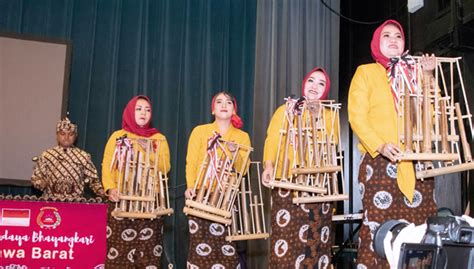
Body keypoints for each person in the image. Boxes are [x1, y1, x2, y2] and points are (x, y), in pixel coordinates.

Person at [348, 19, 437, 268]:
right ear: (377, 42)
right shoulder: (366, 72)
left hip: (416, 163)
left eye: (398, 36)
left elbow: (431, 113)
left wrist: (428, 75)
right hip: (379, 163)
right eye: (387, 36)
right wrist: (380, 145)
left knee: (421, 227)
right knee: (381, 230)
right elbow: (357, 116)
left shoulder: (416, 73)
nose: (393, 40)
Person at [261, 67, 336, 268]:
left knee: (316, 242)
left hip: (317, 185)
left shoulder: (330, 114)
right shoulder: (285, 109)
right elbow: (272, 140)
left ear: (325, 90)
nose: (314, 86)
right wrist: (268, 166)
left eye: (321, 83)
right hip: (287, 182)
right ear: (304, 84)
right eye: (311, 80)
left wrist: (317, 116)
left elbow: (332, 142)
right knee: (285, 240)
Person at [101, 95, 170, 268]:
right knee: (119, 250)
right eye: (139, 109)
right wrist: (110, 188)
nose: (143, 113)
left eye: (147, 110)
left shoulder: (158, 138)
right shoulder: (118, 136)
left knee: (148, 251)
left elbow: (165, 167)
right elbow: (108, 165)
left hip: (149, 201)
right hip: (122, 199)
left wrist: (151, 152)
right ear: (130, 112)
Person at [184, 91, 251, 268]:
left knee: (226, 248)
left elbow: (243, 169)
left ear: (234, 110)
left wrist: (232, 151)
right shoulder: (200, 131)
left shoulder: (242, 137)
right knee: (200, 246)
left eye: (228, 102)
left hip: (226, 198)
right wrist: (191, 186)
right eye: (219, 102)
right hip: (201, 195)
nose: (223, 105)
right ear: (213, 109)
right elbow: (191, 162)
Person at [31, 117, 104, 199]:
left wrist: (102, 192)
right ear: (57, 135)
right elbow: (36, 178)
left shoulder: (83, 156)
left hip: (75, 203)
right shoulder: (46, 156)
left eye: (70, 134)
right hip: (50, 201)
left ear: (75, 136)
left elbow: (93, 180)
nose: (66, 137)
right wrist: (40, 183)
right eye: (62, 134)